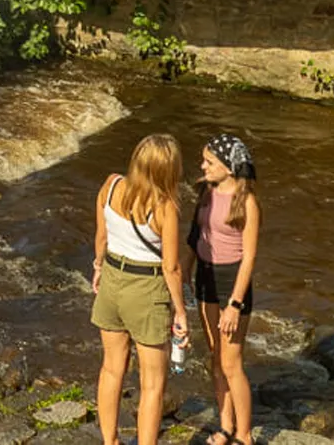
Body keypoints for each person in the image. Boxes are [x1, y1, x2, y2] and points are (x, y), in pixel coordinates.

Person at [91, 134, 188, 445]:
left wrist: (97, 268)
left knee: (111, 368)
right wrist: (181, 312)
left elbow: (101, 238)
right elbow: (171, 268)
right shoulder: (164, 207)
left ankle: (110, 441)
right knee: (152, 384)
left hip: (111, 280)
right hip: (146, 290)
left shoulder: (111, 185)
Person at [192, 135, 262, 445]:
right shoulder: (206, 192)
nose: (202, 165)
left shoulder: (247, 202)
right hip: (204, 278)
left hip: (233, 283)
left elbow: (249, 257)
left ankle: (244, 436)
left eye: (209, 161)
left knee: (232, 364)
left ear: (228, 167)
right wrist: (178, 272)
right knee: (215, 357)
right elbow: (194, 238)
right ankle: (225, 425)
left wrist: (234, 304)